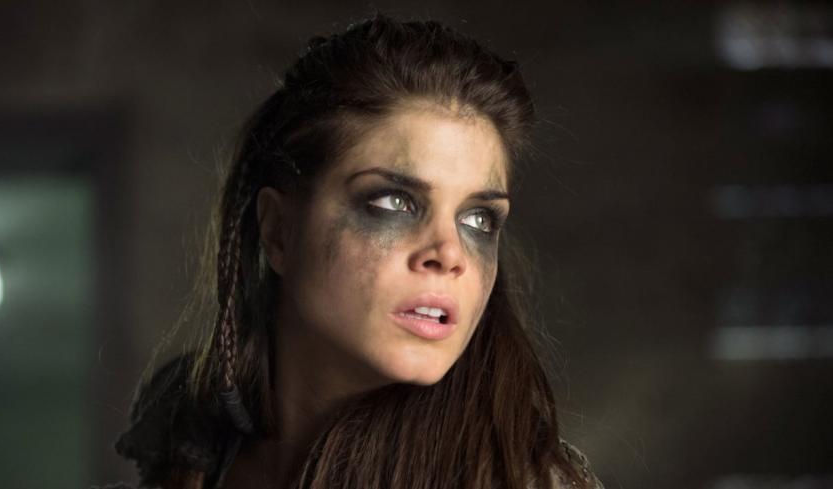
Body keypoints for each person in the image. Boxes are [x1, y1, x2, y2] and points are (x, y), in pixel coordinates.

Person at [109, 14, 604, 489]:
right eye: (394, 202)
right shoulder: (190, 448)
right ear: (279, 232)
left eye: (479, 219)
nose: (449, 253)